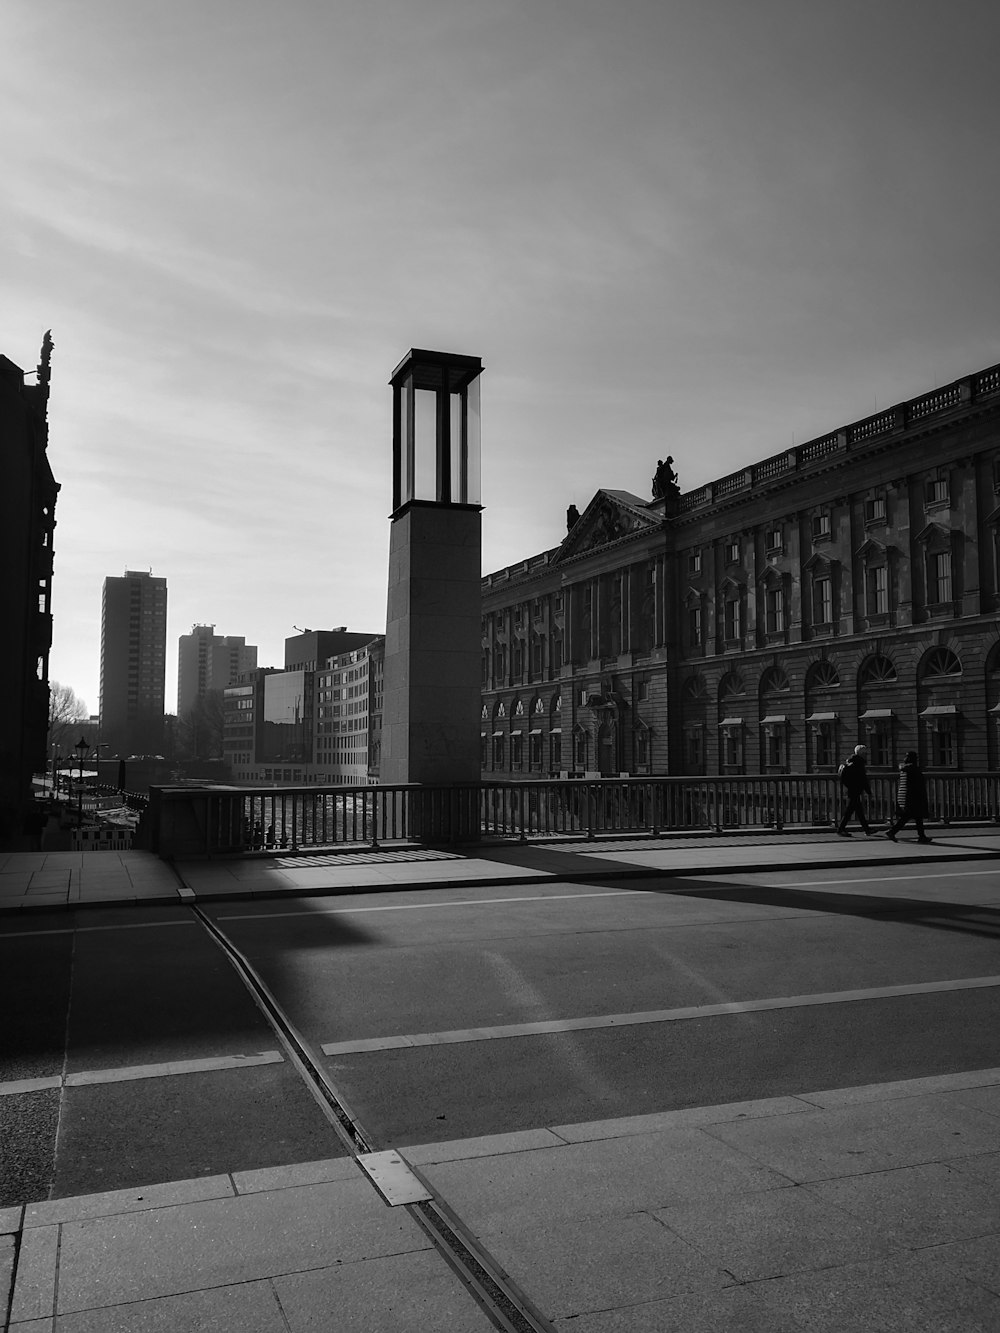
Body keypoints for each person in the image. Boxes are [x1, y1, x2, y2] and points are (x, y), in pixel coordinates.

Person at [885, 751, 932, 842]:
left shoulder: (904, 768)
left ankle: (921, 836)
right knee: (910, 816)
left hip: (904, 795)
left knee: (916, 816)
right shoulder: (913, 769)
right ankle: (892, 832)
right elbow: (918, 784)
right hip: (912, 796)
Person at [837, 744, 873, 836]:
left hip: (851, 789)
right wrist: (868, 791)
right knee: (850, 811)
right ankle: (840, 829)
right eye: (865, 753)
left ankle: (867, 829)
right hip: (856, 790)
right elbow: (863, 778)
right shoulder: (859, 763)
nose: (866, 755)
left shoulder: (851, 761)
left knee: (858, 811)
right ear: (861, 753)